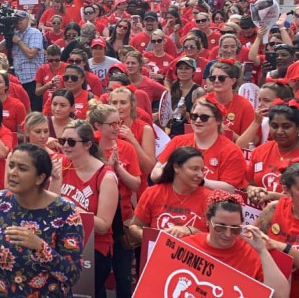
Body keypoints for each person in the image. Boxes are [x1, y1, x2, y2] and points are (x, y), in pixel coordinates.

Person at [0, 143, 83, 297]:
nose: (12, 173)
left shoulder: (65, 211)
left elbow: (72, 276)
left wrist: (40, 247)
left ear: (40, 178)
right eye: (11, 165)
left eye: (22, 168)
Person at [54, 121, 119, 298]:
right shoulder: (61, 166)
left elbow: (104, 225)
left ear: (88, 144)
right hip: (64, 244)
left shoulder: (105, 176)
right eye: (63, 140)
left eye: (71, 142)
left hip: (94, 249)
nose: (65, 145)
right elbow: (51, 209)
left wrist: (71, 207)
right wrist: (53, 181)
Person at [185, 191, 289, 298]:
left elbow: (281, 295)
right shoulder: (188, 245)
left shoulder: (251, 255)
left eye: (235, 228)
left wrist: (262, 251)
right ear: (207, 220)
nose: (228, 234)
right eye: (220, 227)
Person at [89, 103, 141, 298]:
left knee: (123, 276)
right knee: (97, 278)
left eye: (118, 122)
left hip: (122, 220)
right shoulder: (89, 145)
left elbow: (136, 184)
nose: (117, 127)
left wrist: (118, 170)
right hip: (97, 221)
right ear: (97, 126)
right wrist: (105, 170)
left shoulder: (126, 147)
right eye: (111, 124)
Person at [152, 98, 247, 192]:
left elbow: (230, 189)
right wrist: (169, 171)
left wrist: (198, 180)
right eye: (194, 116)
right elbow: (154, 175)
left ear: (218, 120)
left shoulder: (231, 150)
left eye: (204, 117)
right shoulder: (178, 141)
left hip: (210, 205)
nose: (198, 120)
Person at [129, 147, 211, 242]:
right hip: (158, 253)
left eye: (202, 170)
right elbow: (135, 226)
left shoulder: (210, 199)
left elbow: (219, 239)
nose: (200, 175)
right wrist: (157, 238)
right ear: (176, 167)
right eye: (194, 169)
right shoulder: (153, 192)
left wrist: (191, 231)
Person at [245, 101, 299, 207]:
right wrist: (252, 190)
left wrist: (274, 196)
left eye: (286, 126)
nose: (279, 131)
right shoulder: (259, 151)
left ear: (298, 128)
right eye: (274, 126)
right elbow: (247, 183)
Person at [256, 163, 299, 295]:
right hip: (271, 290)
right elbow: (250, 238)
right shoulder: (274, 209)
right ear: (286, 190)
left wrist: (280, 246)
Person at [10, 10, 44, 111]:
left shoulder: (35, 33)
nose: (19, 22)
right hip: (18, 80)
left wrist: (19, 42)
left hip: (32, 79)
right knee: (21, 109)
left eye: (21, 19)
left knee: (33, 110)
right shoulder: (14, 34)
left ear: (27, 20)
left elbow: (31, 54)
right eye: (17, 20)